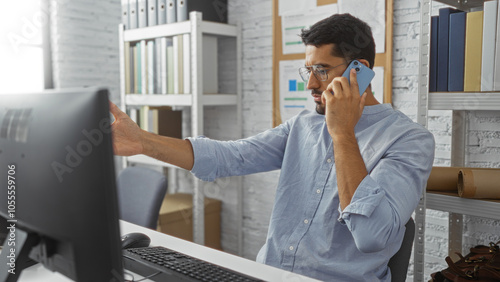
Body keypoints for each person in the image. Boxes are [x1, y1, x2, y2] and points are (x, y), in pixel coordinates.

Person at [110, 13, 435, 281]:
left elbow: (371, 235)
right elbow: (229, 157)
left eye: (321, 70)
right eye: (308, 70)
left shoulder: (409, 140)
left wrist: (342, 133)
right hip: (265, 274)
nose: (310, 84)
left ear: (360, 71)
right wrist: (142, 142)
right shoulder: (302, 126)